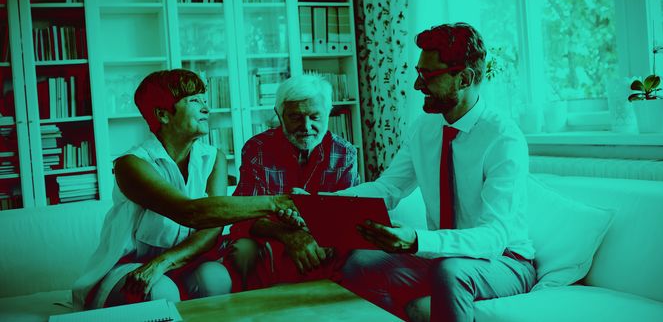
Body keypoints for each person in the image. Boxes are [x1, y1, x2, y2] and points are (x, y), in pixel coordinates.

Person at [337, 23, 536, 321]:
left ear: (465, 78)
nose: (418, 86)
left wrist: (418, 241)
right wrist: (324, 201)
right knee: (361, 263)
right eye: (419, 73)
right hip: (444, 255)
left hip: (505, 261)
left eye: (428, 76)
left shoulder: (504, 139)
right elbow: (388, 189)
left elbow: (494, 237)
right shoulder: (423, 127)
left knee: (450, 271)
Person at [72, 69, 298, 310]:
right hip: (129, 265)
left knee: (216, 279)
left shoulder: (213, 158)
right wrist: (277, 203)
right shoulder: (130, 165)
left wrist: (163, 262)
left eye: (204, 100)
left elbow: (210, 229)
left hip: (183, 261)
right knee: (160, 291)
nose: (205, 108)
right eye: (193, 101)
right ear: (163, 114)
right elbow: (189, 212)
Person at [225, 74, 359, 291]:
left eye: (315, 116)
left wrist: (313, 234)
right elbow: (243, 214)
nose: (306, 126)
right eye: (295, 117)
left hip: (324, 237)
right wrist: (288, 235)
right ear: (280, 114)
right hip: (270, 237)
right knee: (242, 251)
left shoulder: (344, 153)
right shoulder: (257, 149)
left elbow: (347, 217)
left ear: (328, 113)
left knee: (356, 254)